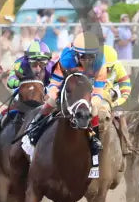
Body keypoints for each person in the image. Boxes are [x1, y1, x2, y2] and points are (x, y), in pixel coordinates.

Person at [21, 33, 108, 178]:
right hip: (67, 85)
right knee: (51, 101)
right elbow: (55, 82)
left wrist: (93, 102)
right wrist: (52, 94)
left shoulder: (100, 62)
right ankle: (34, 130)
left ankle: (94, 143)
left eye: (91, 57)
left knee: (94, 109)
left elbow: (98, 89)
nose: (87, 61)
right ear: (76, 53)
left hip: (88, 87)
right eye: (83, 57)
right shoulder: (67, 57)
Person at [0, 39, 52, 159]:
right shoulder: (20, 63)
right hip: (24, 93)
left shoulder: (52, 66)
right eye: (34, 64)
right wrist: (21, 82)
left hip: (45, 93)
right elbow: (10, 81)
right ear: (28, 61)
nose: (38, 68)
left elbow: (57, 83)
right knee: (7, 112)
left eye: (42, 64)